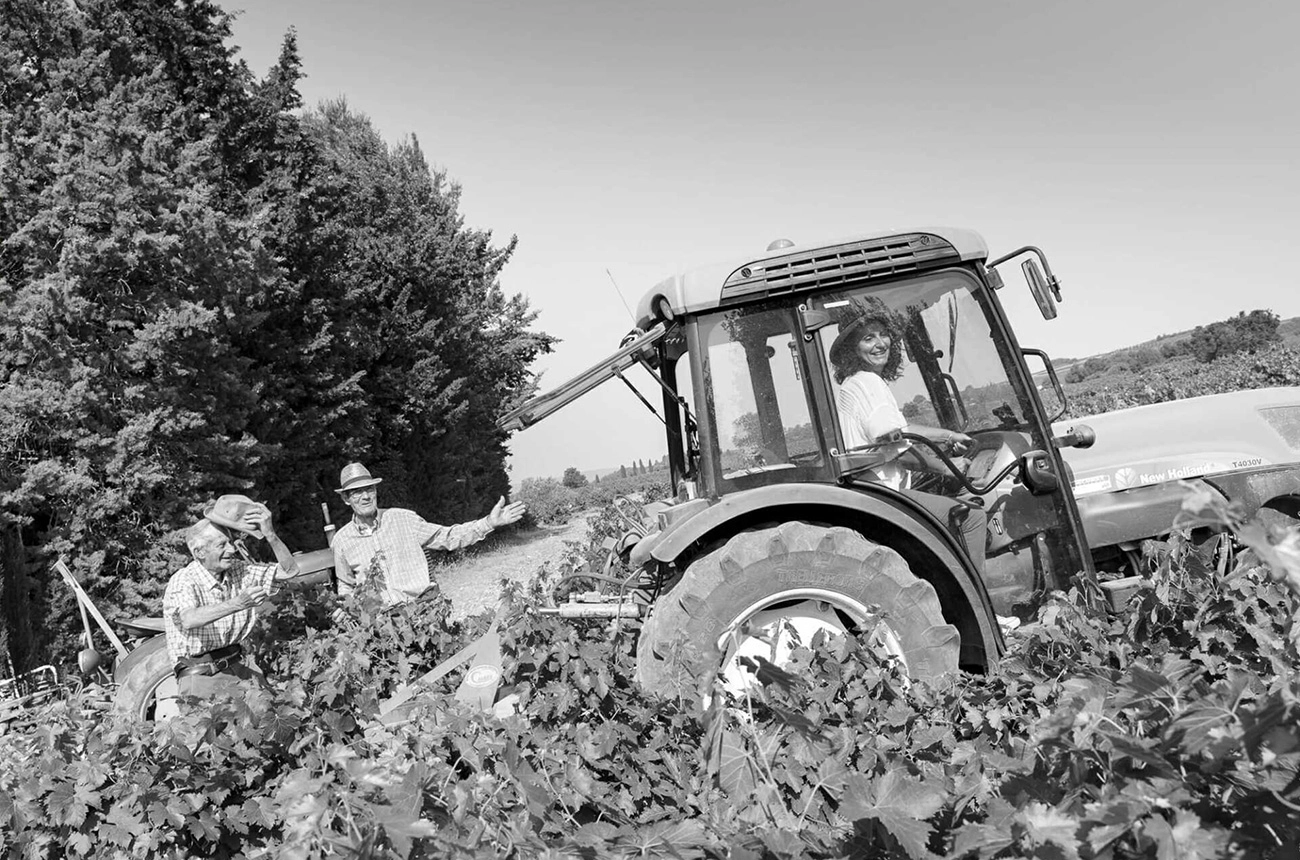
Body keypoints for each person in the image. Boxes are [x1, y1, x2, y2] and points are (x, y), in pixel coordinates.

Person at [829, 297, 986, 568]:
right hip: (884, 495)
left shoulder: (855, 383)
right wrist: (949, 468)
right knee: (973, 518)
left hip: (870, 491)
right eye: (868, 338)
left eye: (883, 334)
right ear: (853, 349)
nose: (880, 343)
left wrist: (948, 436)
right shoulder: (869, 383)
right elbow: (897, 451)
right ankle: (979, 595)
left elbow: (900, 431)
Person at [330, 462, 527, 606]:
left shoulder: (403, 519)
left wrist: (489, 523)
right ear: (346, 499)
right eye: (357, 492)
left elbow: (448, 536)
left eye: (369, 489)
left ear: (375, 491)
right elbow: (346, 584)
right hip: (381, 627)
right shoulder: (342, 541)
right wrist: (346, 606)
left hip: (421, 611)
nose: (365, 496)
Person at [162, 496, 301, 699]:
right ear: (199, 552)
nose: (232, 549)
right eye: (222, 545)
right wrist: (239, 603)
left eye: (230, 543)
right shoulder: (184, 580)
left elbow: (290, 571)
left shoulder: (238, 570)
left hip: (240, 667)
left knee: (272, 713)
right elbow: (189, 619)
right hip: (203, 678)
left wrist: (270, 535)